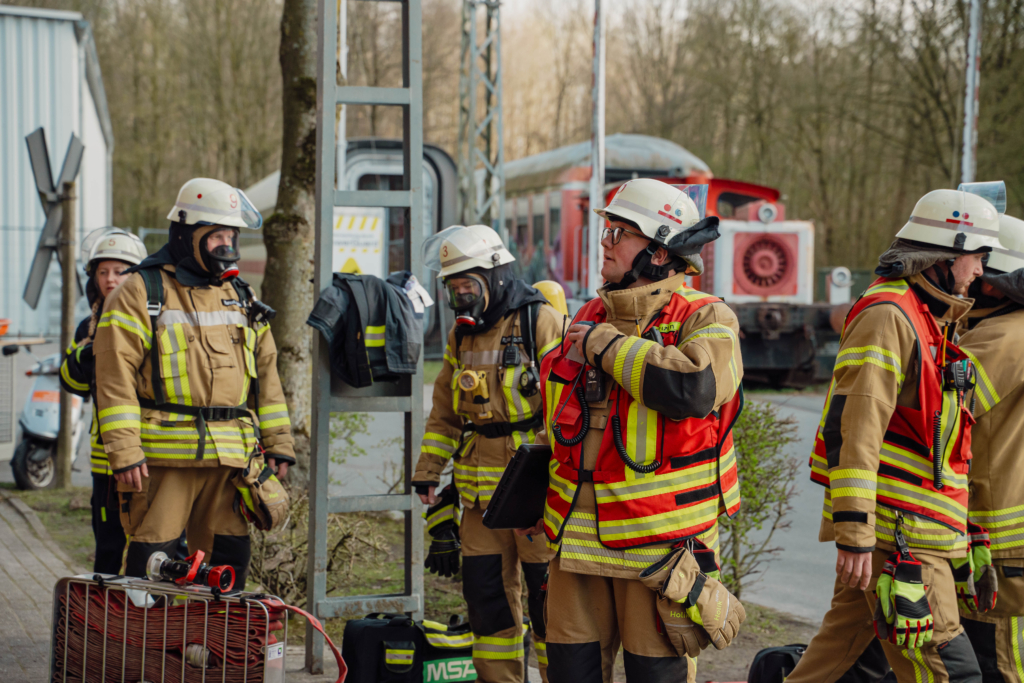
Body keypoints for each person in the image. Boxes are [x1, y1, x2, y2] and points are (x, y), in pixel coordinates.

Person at [530, 178, 744, 683]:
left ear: (661, 252)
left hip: (659, 550)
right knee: (570, 673)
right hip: (573, 547)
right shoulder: (586, 315)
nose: (604, 243)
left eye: (618, 233)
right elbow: (560, 424)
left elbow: (694, 388)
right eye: (606, 231)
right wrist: (535, 502)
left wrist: (606, 347)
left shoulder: (706, 316)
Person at [784, 188, 1000, 683]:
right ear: (945, 254)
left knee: (832, 664)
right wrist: (857, 535)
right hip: (901, 536)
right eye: (977, 256)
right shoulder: (890, 316)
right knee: (951, 671)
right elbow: (856, 429)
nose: (981, 272)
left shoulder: (927, 318)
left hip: (909, 530)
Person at [92, 178, 295, 584]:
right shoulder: (140, 290)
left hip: (231, 462)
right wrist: (125, 451)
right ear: (187, 235)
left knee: (226, 569)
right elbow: (113, 376)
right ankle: (149, 646)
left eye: (231, 235)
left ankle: (214, 647)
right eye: (216, 235)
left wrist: (279, 443)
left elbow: (267, 373)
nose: (227, 245)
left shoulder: (240, 294)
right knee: (153, 568)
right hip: (165, 463)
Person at [412, 224, 563, 683]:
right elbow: (444, 414)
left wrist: (563, 487)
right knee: (487, 601)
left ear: (495, 277)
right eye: (454, 289)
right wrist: (428, 475)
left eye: (468, 287)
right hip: (479, 499)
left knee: (547, 602)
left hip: (533, 497)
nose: (462, 298)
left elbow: (566, 414)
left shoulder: (539, 322)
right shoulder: (461, 338)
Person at [956, 213, 1024, 683]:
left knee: (997, 663)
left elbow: (935, 412)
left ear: (998, 284)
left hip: (999, 547)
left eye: (981, 266)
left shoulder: (1002, 338)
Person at [59, 228, 147, 574]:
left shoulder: (155, 320)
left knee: (153, 545)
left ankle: (148, 621)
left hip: (150, 452)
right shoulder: (87, 326)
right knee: (108, 546)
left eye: (120, 271)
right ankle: (104, 621)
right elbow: (71, 383)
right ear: (94, 278)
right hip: (105, 461)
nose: (111, 280)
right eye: (103, 272)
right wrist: (84, 357)